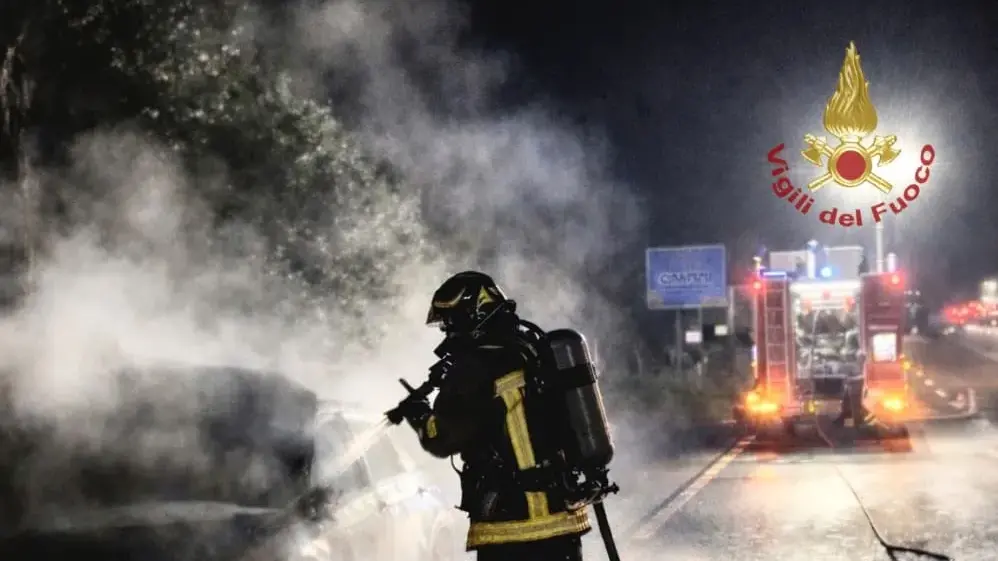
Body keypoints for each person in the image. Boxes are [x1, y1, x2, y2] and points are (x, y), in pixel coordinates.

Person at [389, 271, 590, 561]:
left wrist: (419, 414)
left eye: (450, 321)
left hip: (511, 528)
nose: (447, 331)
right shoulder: (531, 349)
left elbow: (442, 438)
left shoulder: (472, 370)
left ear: (471, 316)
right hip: (563, 520)